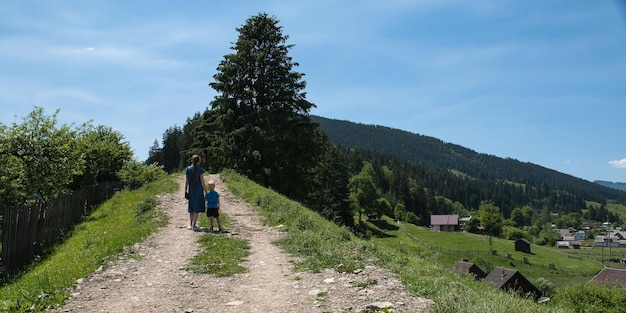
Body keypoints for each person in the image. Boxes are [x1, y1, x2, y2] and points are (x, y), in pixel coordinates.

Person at [184, 155, 206, 231]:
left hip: (191, 190)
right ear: (199, 161)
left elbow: (186, 181)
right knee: (197, 207)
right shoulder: (200, 170)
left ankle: (190, 224)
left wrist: (185, 190)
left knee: (192, 207)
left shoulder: (188, 169)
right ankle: (194, 225)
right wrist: (206, 191)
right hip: (198, 190)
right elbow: (202, 182)